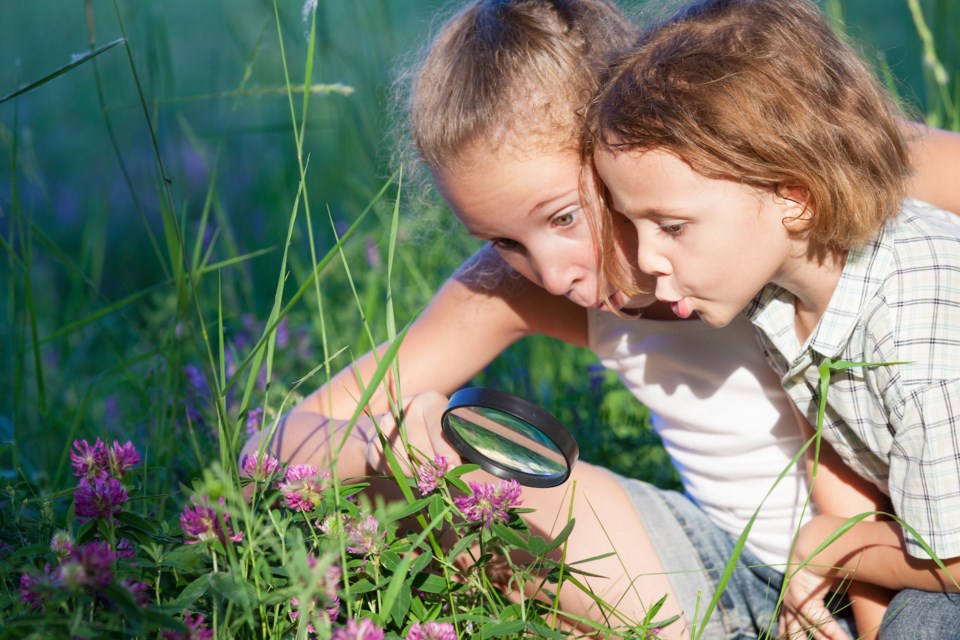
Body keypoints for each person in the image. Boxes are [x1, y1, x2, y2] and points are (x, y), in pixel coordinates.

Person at [243, 0, 960, 637]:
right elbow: (270, 447)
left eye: (563, 216)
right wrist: (390, 441)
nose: (552, 274)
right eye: (504, 241)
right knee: (445, 484)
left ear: (624, 138)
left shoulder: (764, 169)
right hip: (728, 568)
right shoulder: (520, 288)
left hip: (917, 554)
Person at [583, 0, 960, 638]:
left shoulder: (915, 335)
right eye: (633, 223)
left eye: (672, 227)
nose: (646, 258)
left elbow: (950, 565)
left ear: (794, 197)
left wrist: (828, 546)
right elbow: (843, 450)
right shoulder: (783, 291)